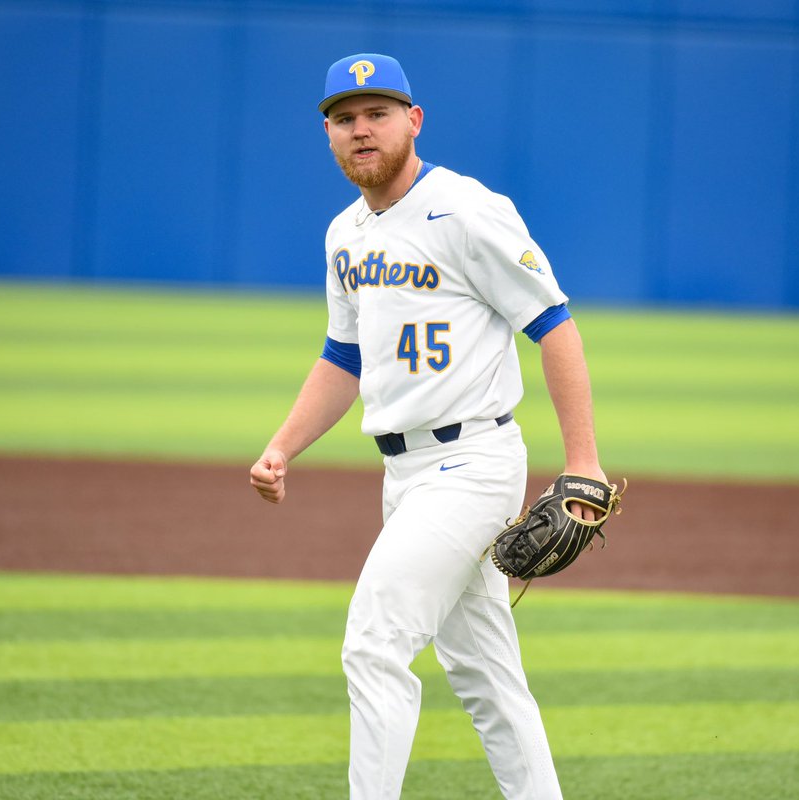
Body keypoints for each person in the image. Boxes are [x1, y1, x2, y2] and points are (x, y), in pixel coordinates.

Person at [249, 52, 608, 800]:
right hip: (404, 475)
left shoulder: (468, 210)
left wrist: (585, 465)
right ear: (328, 137)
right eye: (344, 120)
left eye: (377, 114)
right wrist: (283, 446)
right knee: (486, 677)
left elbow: (556, 326)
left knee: (373, 643)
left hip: (473, 462)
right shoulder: (345, 233)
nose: (360, 130)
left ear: (414, 121)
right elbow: (341, 358)